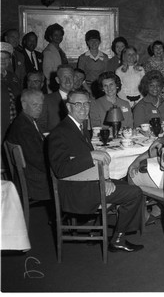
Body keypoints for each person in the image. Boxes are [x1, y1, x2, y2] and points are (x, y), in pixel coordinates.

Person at [48, 89, 144, 253]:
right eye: (78, 104)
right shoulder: (60, 133)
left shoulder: (78, 126)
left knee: (124, 182)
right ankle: (118, 238)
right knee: (135, 193)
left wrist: (104, 179)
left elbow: (82, 161)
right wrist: (91, 156)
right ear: (68, 107)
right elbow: (60, 169)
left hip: (87, 183)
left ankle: (104, 228)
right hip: (77, 192)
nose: (83, 108)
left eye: (86, 104)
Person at [6, 89, 51, 201]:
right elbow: (38, 160)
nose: (39, 108)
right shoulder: (23, 128)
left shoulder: (26, 120)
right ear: (24, 104)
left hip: (31, 176)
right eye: (35, 105)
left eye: (41, 105)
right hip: (35, 182)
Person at [38, 64, 74, 133]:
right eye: (64, 77)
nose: (68, 81)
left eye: (70, 77)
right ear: (57, 80)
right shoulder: (46, 100)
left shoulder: (81, 99)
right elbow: (41, 125)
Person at [1, 42, 22, 143]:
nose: (3, 61)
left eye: (6, 58)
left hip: (13, 122)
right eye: (0, 58)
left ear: (10, 61)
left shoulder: (12, 77)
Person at [42, 23, 68, 93]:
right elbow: (48, 73)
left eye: (60, 35)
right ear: (50, 37)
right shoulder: (48, 52)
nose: (59, 37)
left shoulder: (59, 50)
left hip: (61, 83)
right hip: (54, 85)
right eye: (56, 35)